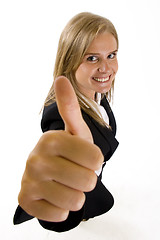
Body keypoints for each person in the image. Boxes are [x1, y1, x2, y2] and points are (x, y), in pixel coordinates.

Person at [13, 12, 119, 232]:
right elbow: (57, 172)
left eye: (111, 55)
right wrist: (57, 206)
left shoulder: (98, 96)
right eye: (92, 58)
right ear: (70, 60)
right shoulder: (60, 118)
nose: (106, 68)